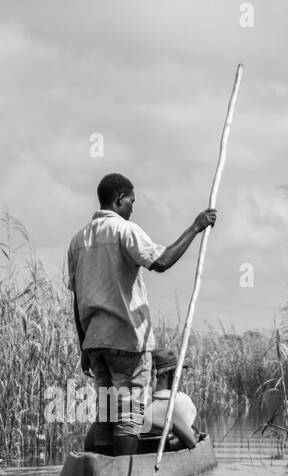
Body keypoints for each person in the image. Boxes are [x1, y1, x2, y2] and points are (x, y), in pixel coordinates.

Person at [66, 173, 216, 457]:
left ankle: (103, 474)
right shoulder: (124, 230)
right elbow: (161, 261)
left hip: (96, 344)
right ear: (119, 198)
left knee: (107, 414)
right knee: (129, 417)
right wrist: (195, 227)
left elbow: (77, 300)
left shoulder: (77, 241)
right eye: (131, 201)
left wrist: (83, 346)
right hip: (127, 343)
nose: (133, 207)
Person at [141, 348, 198, 450]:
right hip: (164, 446)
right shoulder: (180, 400)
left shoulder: (132, 401)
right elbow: (192, 443)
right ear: (172, 374)